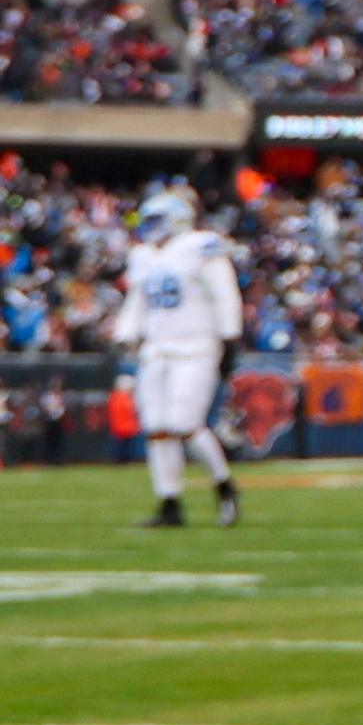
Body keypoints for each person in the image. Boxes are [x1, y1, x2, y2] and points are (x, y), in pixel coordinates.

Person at [113, 183, 240, 528]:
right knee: (156, 428)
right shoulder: (142, 255)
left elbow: (225, 295)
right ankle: (170, 501)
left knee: (185, 424)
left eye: (157, 218)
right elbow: (138, 300)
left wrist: (230, 337)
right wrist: (125, 334)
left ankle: (224, 485)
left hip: (197, 346)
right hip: (156, 349)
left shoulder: (201, 246)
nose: (150, 225)